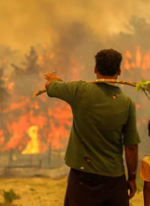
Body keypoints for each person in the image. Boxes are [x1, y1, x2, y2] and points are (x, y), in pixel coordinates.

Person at [44, 48, 141, 206]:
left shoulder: (79, 90)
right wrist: (131, 178)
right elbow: (131, 147)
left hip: (82, 177)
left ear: (95, 69)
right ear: (119, 71)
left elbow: (50, 86)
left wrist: (56, 80)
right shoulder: (127, 103)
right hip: (113, 178)